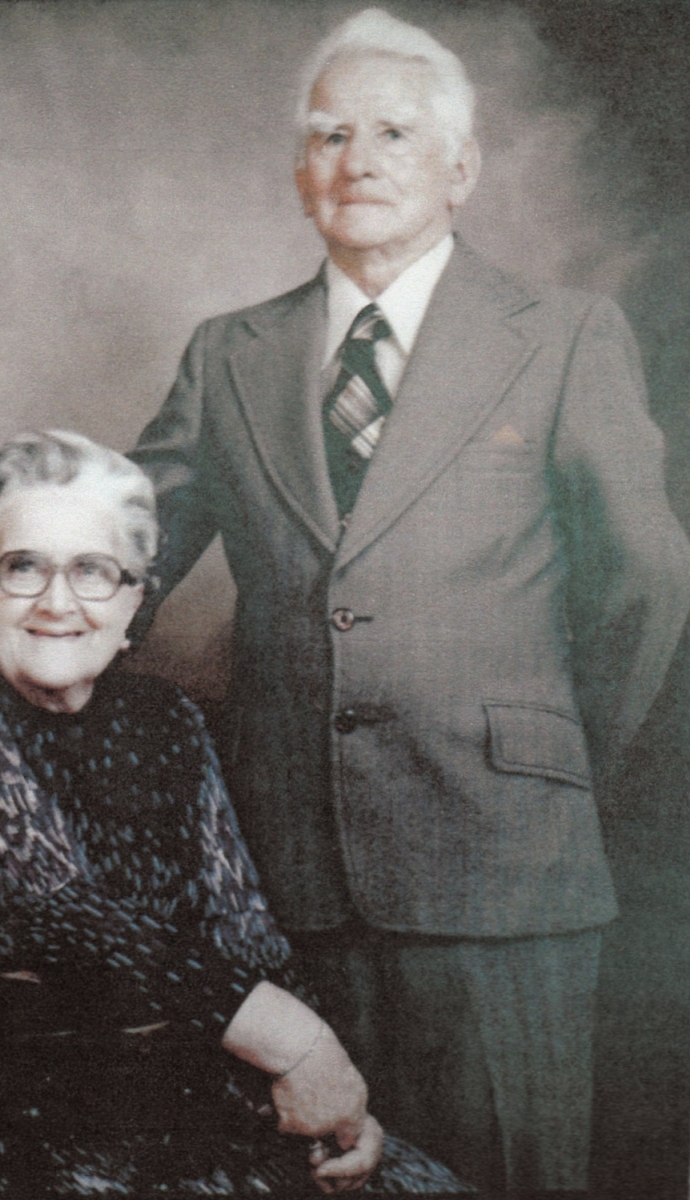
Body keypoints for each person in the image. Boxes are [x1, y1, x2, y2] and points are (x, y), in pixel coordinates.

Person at [127, 8, 690, 1196]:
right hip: (284, 883)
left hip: (503, 874)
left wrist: (544, 755)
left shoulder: (563, 337)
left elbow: (641, 581)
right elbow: (121, 552)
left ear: (460, 167)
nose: (360, 158)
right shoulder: (228, 352)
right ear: (298, 172)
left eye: (395, 131)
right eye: (330, 135)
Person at [0, 430, 467, 1199]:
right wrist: (300, 1046)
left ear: (134, 602)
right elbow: (51, 913)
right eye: (20, 567)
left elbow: (244, 932)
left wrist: (334, 1104)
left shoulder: (164, 717)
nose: (58, 602)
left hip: (175, 1110)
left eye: (94, 571)